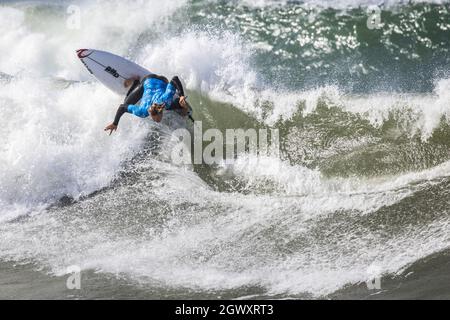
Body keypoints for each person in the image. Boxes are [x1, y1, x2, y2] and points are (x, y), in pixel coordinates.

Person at [104, 74, 189, 135]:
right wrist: (115, 123)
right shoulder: (142, 111)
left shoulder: (165, 100)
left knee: (174, 106)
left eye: (156, 119)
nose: (157, 121)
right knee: (125, 102)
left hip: (159, 79)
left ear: (161, 111)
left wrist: (181, 96)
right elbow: (122, 107)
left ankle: (137, 81)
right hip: (147, 81)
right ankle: (135, 81)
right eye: (155, 119)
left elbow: (175, 79)